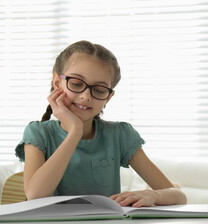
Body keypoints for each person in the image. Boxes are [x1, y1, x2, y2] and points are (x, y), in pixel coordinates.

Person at [15, 40, 187, 207]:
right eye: (76, 83)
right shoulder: (38, 133)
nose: (86, 96)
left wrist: (153, 194)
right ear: (57, 83)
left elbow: (179, 197)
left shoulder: (119, 135)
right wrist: (75, 132)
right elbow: (35, 195)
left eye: (99, 90)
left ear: (109, 97)